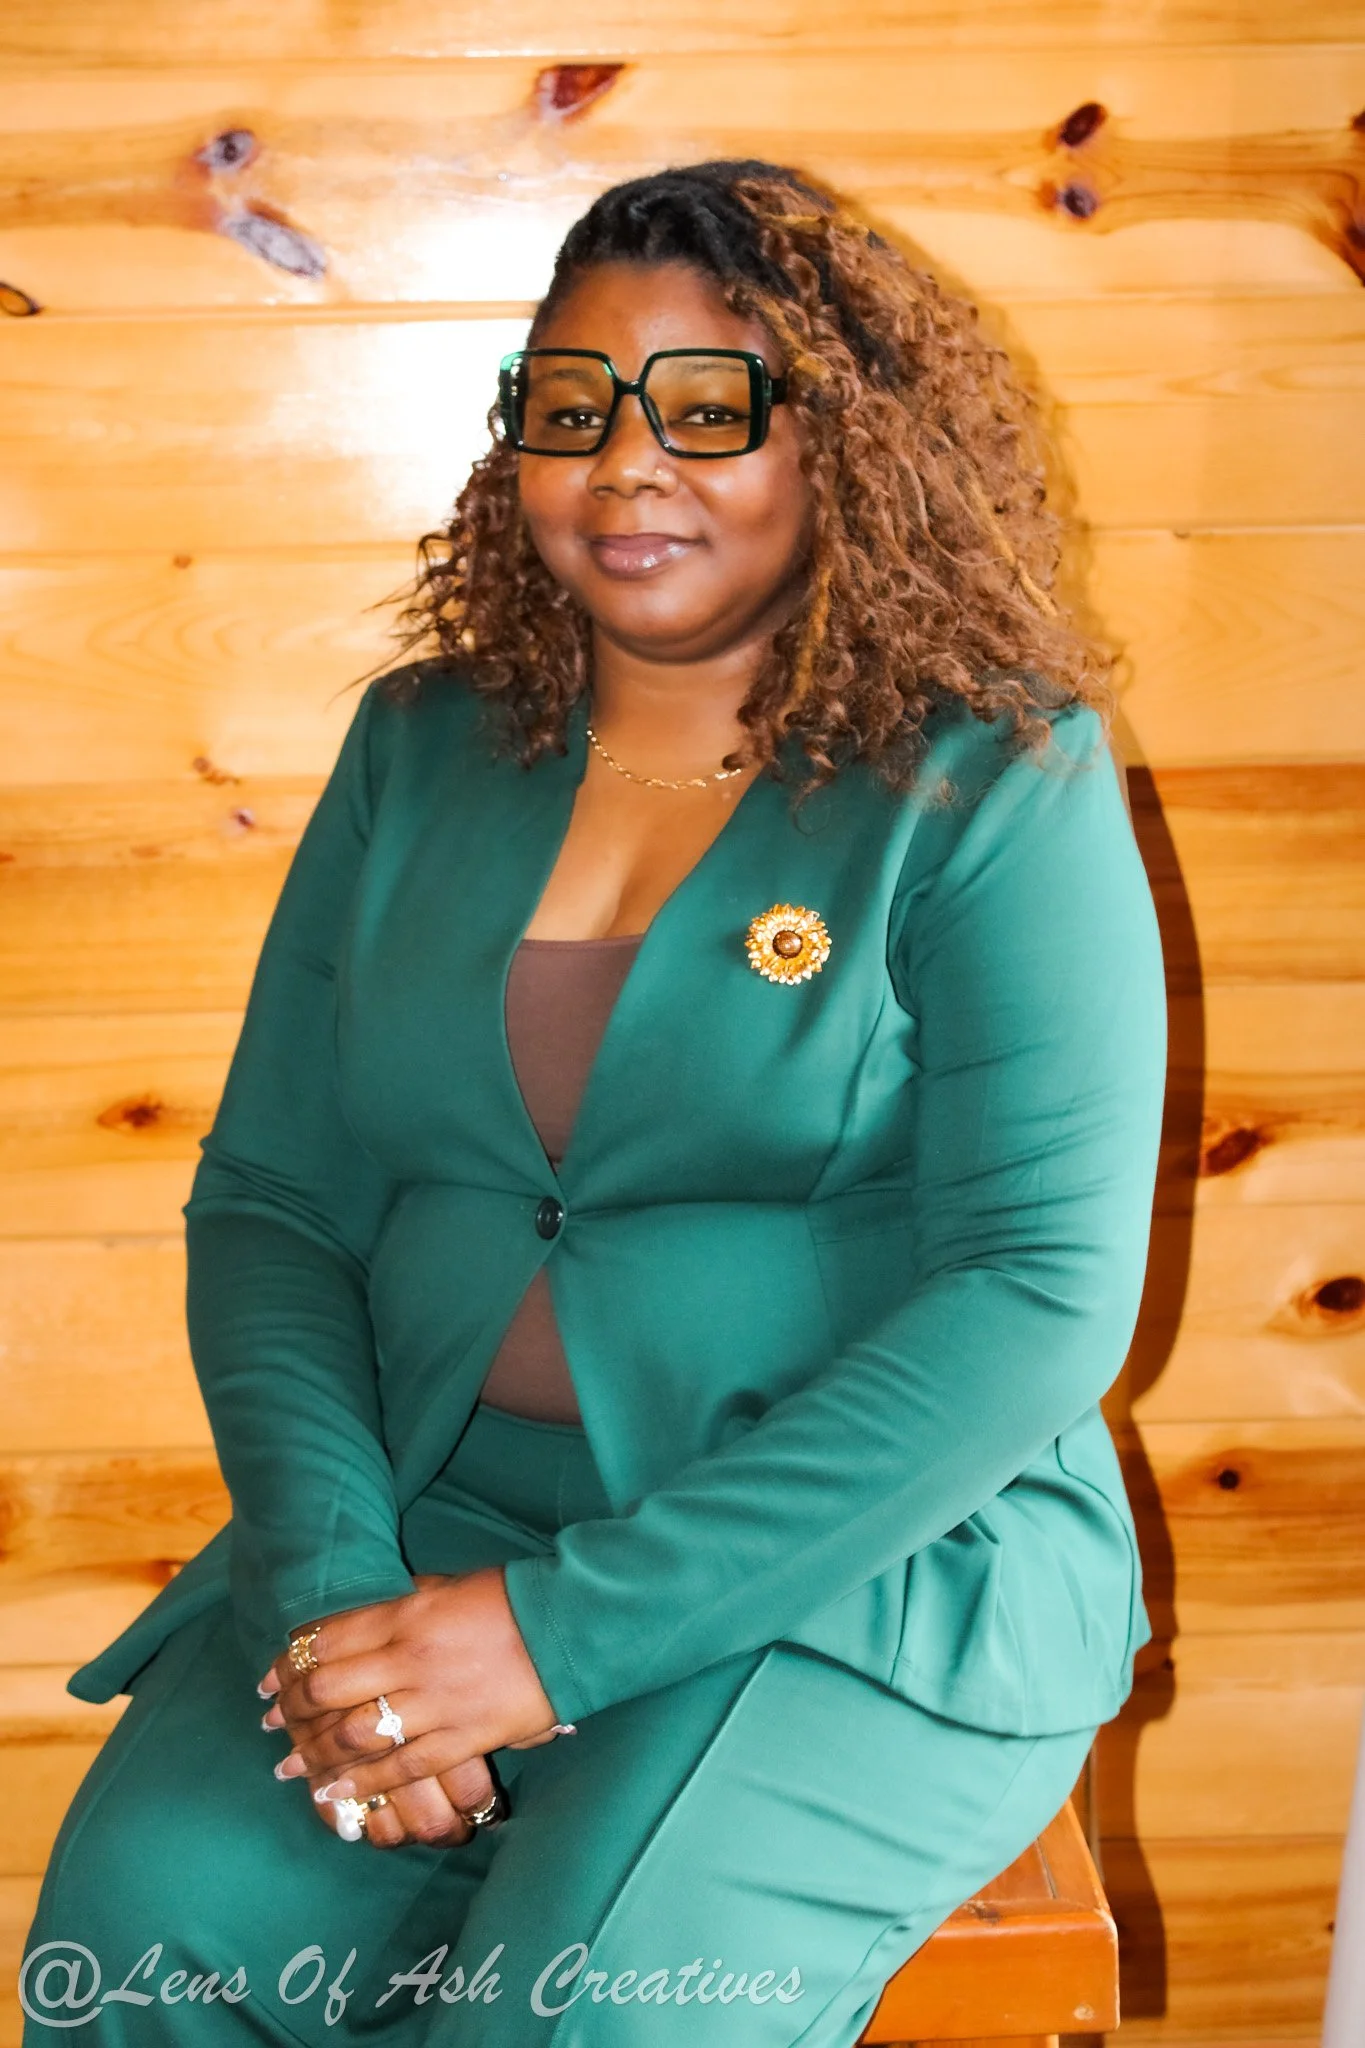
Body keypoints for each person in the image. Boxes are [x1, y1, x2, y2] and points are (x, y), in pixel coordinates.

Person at [21, 158, 1167, 2045]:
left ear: (846, 443)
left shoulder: (991, 778)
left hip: (858, 1577)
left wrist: (550, 1642)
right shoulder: (418, 748)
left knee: (584, 2013)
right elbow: (273, 1204)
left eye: (710, 406)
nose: (628, 465)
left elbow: (1036, 1298)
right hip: (430, 1516)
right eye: (571, 409)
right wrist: (333, 1594)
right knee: (137, 1946)